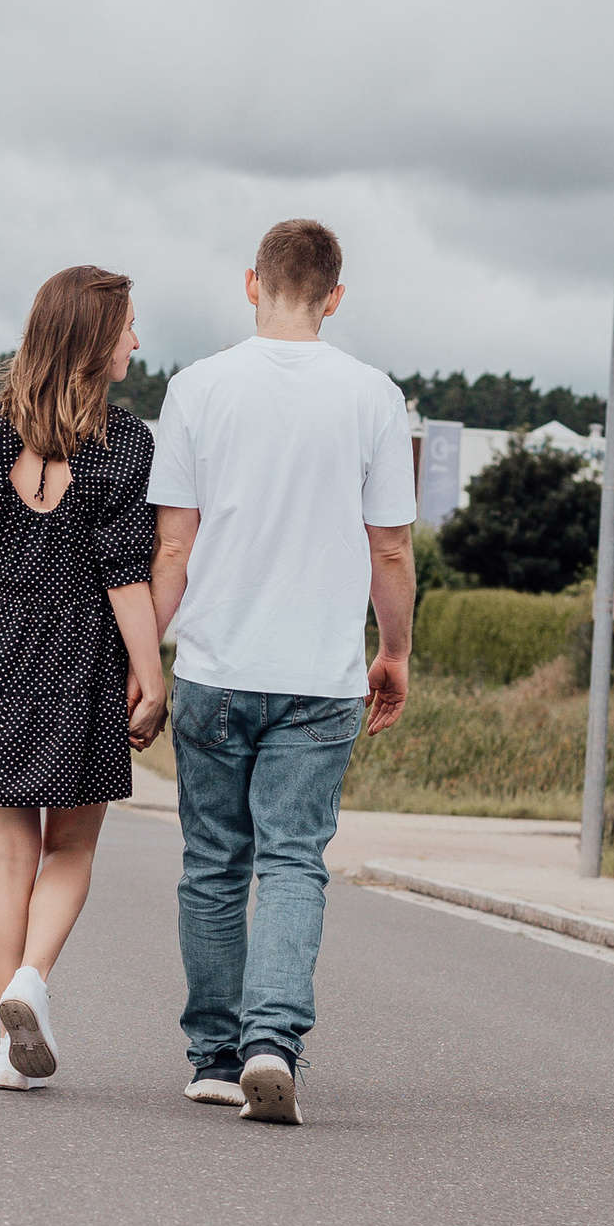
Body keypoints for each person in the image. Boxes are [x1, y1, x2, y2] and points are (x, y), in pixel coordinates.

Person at [148, 217, 416, 1125]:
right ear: (335, 297)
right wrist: (395, 652)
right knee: (295, 861)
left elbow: (173, 545)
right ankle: (273, 1044)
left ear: (251, 283)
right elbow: (391, 552)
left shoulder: (195, 389)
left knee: (214, 863)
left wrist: (146, 661)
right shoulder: (376, 396)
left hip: (217, 667)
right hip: (320, 678)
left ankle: (216, 1057)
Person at [0, 266, 169, 1092]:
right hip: (78, 663)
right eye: (129, 326)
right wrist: (152, 676)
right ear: (97, 338)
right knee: (73, 846)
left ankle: (6, 1043)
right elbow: (126, 575)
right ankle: (33, 983)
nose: (137, 340)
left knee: (4, 853)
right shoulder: (126, 445)